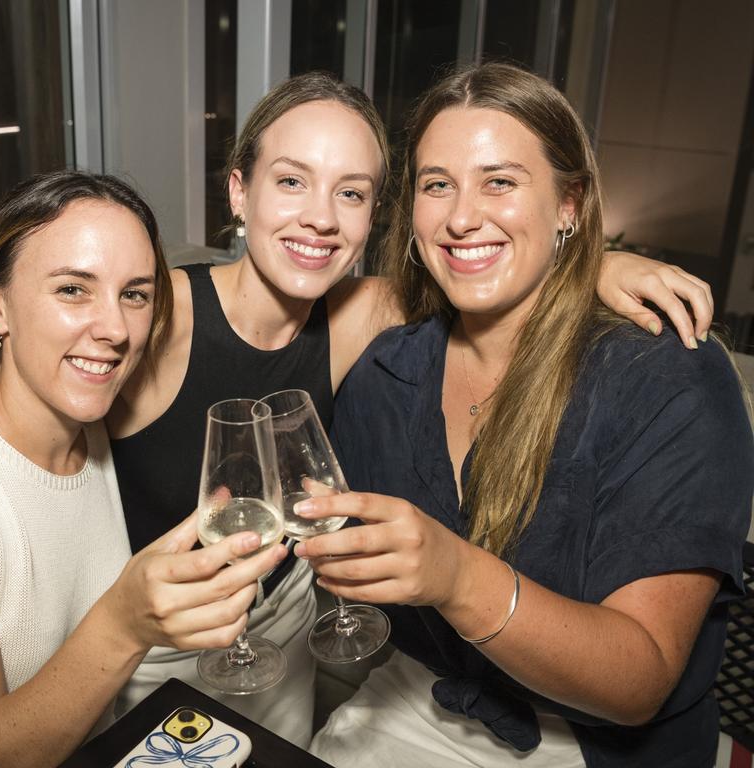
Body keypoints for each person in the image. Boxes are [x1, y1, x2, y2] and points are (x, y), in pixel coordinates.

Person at [0, 72, 716, 747]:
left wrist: (598, 263)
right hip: (139, 660)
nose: (321, 218)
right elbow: (28, 351)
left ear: (376, 218)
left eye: (354, 193)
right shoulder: (150, 308)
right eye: (291, 182)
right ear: (239, 194)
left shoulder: (363, 314)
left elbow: (484, 265)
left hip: (276, 647)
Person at [293, 63, 752, 767]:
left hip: (597, 745)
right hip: (415, 700)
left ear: (569, 204)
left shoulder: (666, 376)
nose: (460, 215)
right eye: (436, 184)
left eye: (500, 181)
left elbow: (639, 682)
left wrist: (454, 575)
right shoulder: (386, 373)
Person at [0, 170, 286, 768]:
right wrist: (123, 625)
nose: (114, 329)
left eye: (135, 294)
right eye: (72, 289)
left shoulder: (96, 414)